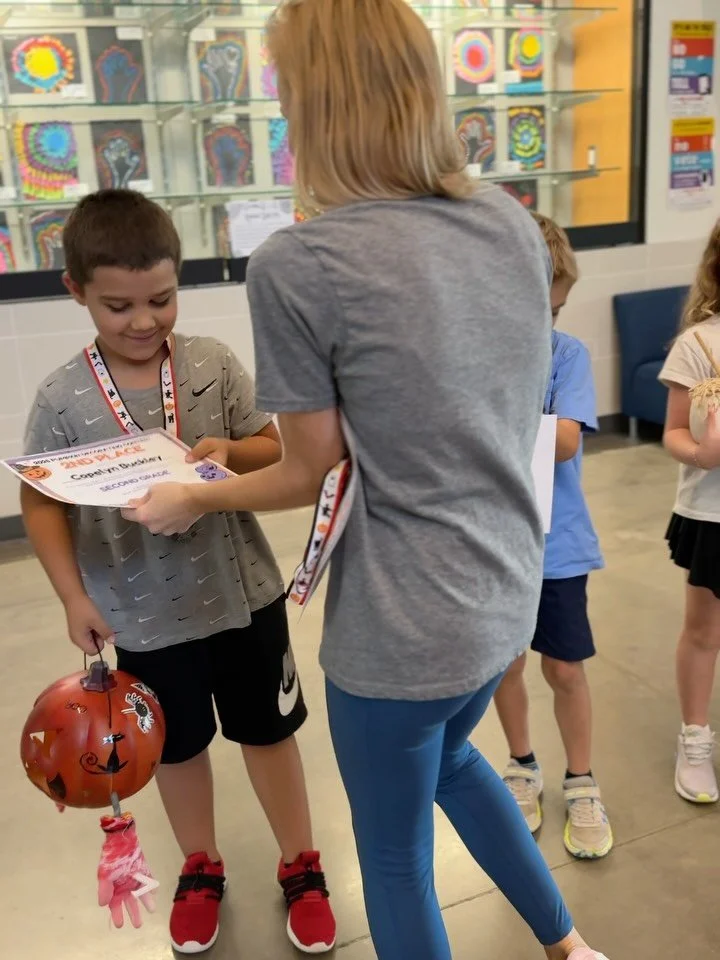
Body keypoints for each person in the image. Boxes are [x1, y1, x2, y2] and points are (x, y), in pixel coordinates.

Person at [123, 2, 611, 958]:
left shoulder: (301, 262)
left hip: (399, 626)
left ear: (313, 99)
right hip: (504, 588)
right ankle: (567, 944)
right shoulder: (507, 225)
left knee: (392, 858)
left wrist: (192, 491)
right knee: (457, 760)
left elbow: (312, 469)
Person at [20, 189, 336, 955]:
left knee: (269, 734)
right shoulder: (62, 397)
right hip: (142, 618)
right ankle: (201, 866)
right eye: (117, 305)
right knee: (178, 747)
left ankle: (302, 865)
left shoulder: (211, 364)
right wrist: (72, 597)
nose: (142, 321)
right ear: (76, 292)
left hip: (244, 599)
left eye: (160, 299)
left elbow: (276, 450)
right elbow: (39, 503)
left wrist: (230, 453)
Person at [493, 214, 613, 859]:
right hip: (494, 544)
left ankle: (582, 780)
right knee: (505, 665)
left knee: (565, 665)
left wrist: (488, 425)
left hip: (556, 547)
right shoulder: (477, 356)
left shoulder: (567, 356)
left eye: (557, 310)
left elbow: (565, 440)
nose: (546, 325)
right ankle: (522, 766)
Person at [660, 219, 720, 805]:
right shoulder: (700, 344)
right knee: (704, 631)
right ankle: (695, 736)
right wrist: (701, 453)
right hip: (712, 514)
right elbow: (675, 432)